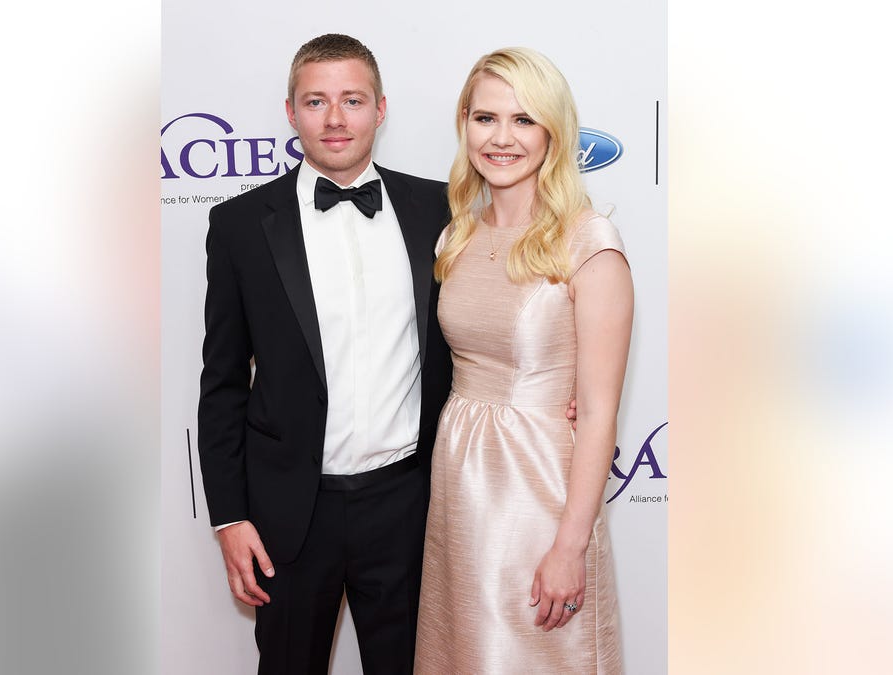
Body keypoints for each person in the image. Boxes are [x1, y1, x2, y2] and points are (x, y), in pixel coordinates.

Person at [197, 34, 453, 674]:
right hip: (289, 517)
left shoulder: (440, 209)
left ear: (381, 109)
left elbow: (483, 327)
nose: (335, 119)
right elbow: (222, 382)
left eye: (352, 100)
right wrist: (228, 518)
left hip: (407, 506)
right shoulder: (239, 226)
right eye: (316, 101)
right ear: (290, 112)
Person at [413, 47, 634, 673]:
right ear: (464, 122)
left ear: (554, 133)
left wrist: (571, 545)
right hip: (460, 482)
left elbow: (595, 412)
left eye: (524, 120)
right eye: (485, 118)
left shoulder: (589, 243)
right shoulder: (457, 235)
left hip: (539, 487)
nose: (501, 138)